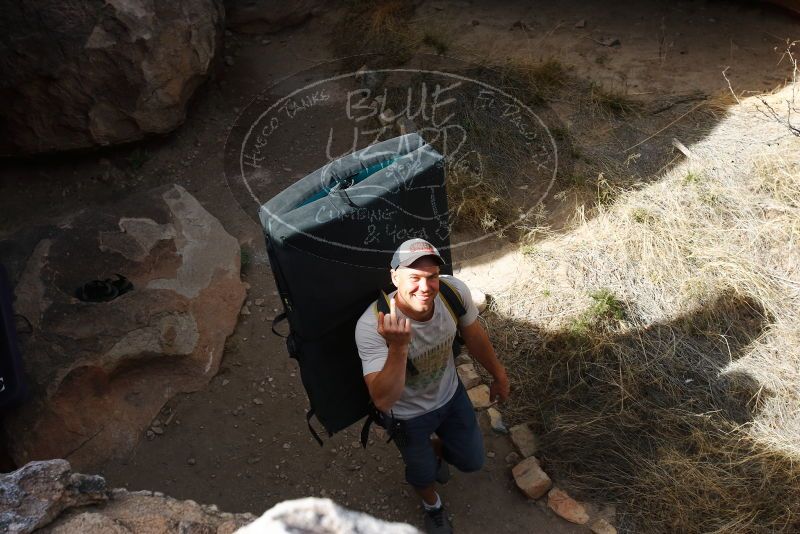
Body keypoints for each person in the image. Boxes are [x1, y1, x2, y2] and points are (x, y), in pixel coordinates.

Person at [355, 238, 510, 534]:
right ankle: (433, 507)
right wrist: (399, 348)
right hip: (406, 417)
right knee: (422, 473)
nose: (425, 288)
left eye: (432, 277)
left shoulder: (453, 293)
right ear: (394, 277)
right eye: (414, 278)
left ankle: (436, 448)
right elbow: (383, 400)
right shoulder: (373, 325)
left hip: (450, 396)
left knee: (472, 461)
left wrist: (499, 375)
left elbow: (474, 336)